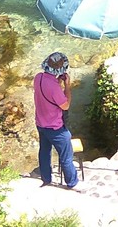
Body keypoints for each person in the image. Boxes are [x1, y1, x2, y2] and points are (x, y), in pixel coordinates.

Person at [33, 51, 81, 189]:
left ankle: (46, 178)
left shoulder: (38, 77)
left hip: (41, 124)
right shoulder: (55, 87)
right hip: (55, 128)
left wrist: (57, 81)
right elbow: (65, 105)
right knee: (66, 156)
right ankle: (72, 182)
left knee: (44, 152)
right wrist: (67, 86)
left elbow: (47, 92)